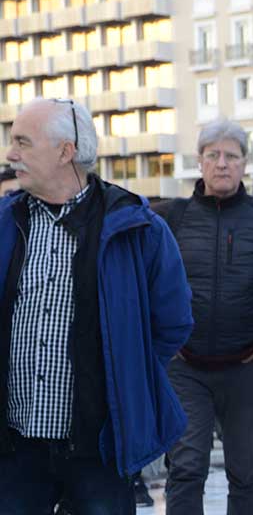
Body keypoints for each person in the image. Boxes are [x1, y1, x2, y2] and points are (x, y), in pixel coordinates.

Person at [0, 98, 193, 514]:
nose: (10, 153)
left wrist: (127, 374)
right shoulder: (3, 221)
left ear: (65, 151)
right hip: (14, 447)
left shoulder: (139, 227)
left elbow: (173, 323)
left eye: (22, 142)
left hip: (99, 447)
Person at [157, 118, 253, 515]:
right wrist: (161, 345)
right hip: (185, 369)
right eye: (213, 155)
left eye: (231, 156)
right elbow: (145, 287)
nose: (222, 163)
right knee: (186, 468)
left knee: (245, 471)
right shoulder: (171, 219)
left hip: (245, 369)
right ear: (200, 161)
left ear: (244, 163)